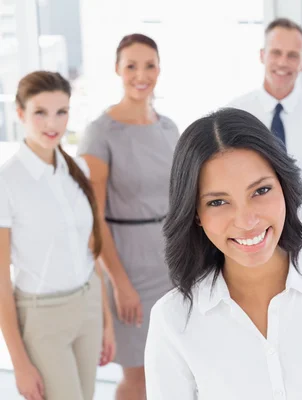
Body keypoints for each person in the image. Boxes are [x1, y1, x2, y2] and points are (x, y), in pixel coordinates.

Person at [144, 108, 302, 399]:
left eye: (260, 191)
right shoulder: (173, 319)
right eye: (217, 202)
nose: (247, 221)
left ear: (285, 187)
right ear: (195, 214)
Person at [0, 71, 115, 400]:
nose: (53, 123)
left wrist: (106, 320)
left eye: (61, 112)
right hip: (43, 317)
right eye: (40, 112)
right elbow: (1, 283)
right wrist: (20, 364)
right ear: (21, 114)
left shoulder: (79, 170)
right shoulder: (7, 182)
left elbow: (91, 253)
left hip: (88, 305)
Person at [77, 34, 179, 400]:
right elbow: (92, 219)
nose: (141, 74)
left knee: (170, 368)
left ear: (159, 69)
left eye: (149, 65)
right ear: (117, 70)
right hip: (129, 267)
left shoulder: (169, 128)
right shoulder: (101, 133)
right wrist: (119, 283)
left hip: (172, 262)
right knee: (139, 376)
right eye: (131, 66)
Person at [228, 18, 302, 253]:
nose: (283, 62)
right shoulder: (236, 113)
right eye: (276, 53)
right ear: (263, 55)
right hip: (250, 237)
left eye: (292, 55)